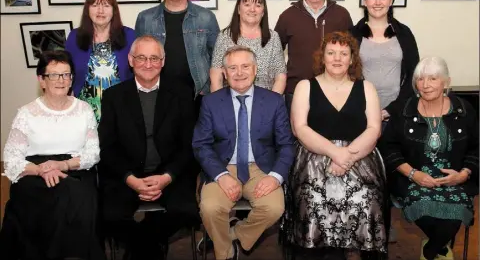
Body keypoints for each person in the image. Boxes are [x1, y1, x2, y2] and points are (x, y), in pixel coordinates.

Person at [285, 32, 387, 260]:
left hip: (360, 157)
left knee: (365, 197)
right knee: (314, 199)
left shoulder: (367, 88)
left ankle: (355, 252)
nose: (337, 58)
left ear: (352, 59)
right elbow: (299, 128)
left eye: (344, 53)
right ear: (322, 57)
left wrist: (347, 156)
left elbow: (374, 129)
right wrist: (335, 153)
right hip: (314, 158)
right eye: (331, 53)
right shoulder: (305, 86)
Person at [97, 35, 198, 260]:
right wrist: (130, 179)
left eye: (154, 58)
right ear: (131, 60)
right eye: (141, 58)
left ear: (163, 61)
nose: (148, 64)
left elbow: (188, 145)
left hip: (169, 174)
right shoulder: (113, 96)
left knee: (187, 211)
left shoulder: (181, 94)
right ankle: (151, 248)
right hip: (128, 174)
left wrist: (167, 177)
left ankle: (139, 248)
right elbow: (107, 148)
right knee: (109, 216)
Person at [193, 46, 295, 260]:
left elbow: (286, 144)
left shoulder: (274, 101)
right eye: (233, 68)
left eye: (245, 66)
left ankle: (232, 235)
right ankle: (226, 253)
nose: (239, 73)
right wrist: (220, 175)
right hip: (223, 165)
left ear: (255, 69)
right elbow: (201, 144)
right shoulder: (211, 102)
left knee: (274, 208)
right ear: (224, 72)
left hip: (261, 167)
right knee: (210, 208)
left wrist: (275, 177)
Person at [0, 51, 103, 260]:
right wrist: (41, 169)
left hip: (74, 168)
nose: (61, 80)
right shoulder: (26, 113)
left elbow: (92, 154)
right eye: (54, 75)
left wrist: (61, 165)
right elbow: (11, 160)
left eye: (66, 75)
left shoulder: (84, 110)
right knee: (64, 196)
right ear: (42, 80)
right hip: (34, 174)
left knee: (78, 193)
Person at [378, 56, 478, 260]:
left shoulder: (464, 110)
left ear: (446, 82)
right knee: (424, 208)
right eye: (420, 79)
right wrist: (414, 174)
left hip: (455, 179)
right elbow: (388, 149)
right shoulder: (404, 110)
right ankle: (439, 250)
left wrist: (462, 175)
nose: (425, 85)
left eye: (433, 79)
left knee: (455, 213)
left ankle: (431, 250)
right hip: (412, 178)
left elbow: (476, 149)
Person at [135, 0, 220, 118]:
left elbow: (217, 58)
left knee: (196, 142)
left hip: (197, 97)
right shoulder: (145, 18)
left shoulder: (206, 17)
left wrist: (210, 90)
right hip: (158, 97)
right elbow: (137, 59)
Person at [275, 0, 353, 112]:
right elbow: (275, 54)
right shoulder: (287, 17)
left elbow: (352, 55)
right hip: (296, 93)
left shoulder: (342, 15)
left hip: (335, 93)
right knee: (296, 135)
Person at [350, 0, 420, 123]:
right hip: (360, 112)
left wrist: (391, 110)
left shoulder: (404, 33)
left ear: (391, 1)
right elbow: (345, 75)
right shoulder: (352, 35)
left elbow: (414, 75)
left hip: (398, 113)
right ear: (364, 1)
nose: (377, 2)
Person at [66, 0, 136, 122]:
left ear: (114, 10)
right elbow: (67, 72)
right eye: (95, 5)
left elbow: (138, 72)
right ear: (88, 9)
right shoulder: (74, 37)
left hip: (121, 110)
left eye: (106, 5)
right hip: (83, 112)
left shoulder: (129, 36)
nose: (100, 11)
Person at [210, 0, 286, 94]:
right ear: (238, 9)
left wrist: (272, 105)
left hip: (265, 102)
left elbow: (280, 75)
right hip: (231, 103)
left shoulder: (273, 37)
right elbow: (216, 75)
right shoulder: (224, 37)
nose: (252, 9)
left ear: (263, 12)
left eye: (258, 5)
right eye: (247, 5)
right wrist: (221, 104)